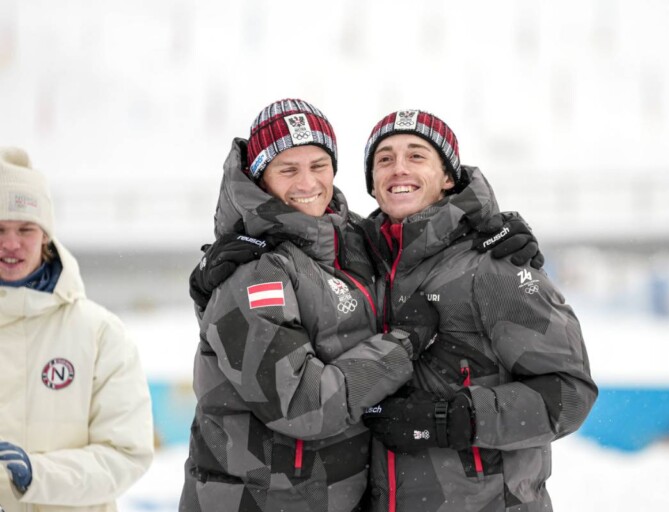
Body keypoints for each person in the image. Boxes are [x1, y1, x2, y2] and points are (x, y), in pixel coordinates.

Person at [179, 99, 423, 512]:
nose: (307, 183)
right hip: (259, 500)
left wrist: (490, 222)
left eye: (319, 165)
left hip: (328, 494)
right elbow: (303, 405)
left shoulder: (351, 240)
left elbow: (427, 230)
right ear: (260, 179)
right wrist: (404, 345)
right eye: (288, 169)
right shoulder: (253, 269)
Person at [358, 110, 598, 511]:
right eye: (385, 159)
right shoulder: (361, 267)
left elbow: (569, 393)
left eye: (416, 156)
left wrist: (451, 418)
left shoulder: (493, 266)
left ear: (448, 176)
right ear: (372, 183)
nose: (399, 169)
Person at [0, 147, 154, 512]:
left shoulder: (100, 333)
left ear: (46, 236)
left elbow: (127, 454)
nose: (11, 243)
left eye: (25, 229)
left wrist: (37, 475)